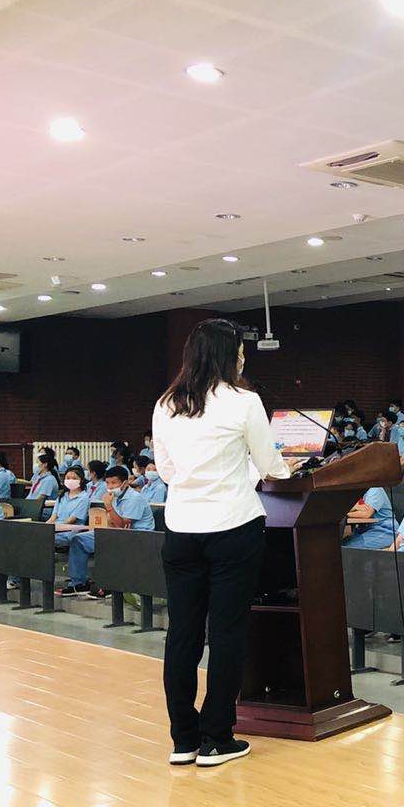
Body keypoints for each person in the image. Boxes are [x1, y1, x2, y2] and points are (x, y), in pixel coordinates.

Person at [153, 318, 290, 768]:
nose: (244, 357)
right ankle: (217, 738)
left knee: (182, 634)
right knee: (227, 633)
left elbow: (167, 471)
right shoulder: (244, 401)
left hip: (181, 529)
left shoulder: (167, 403)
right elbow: (269, 465)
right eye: (241, 350)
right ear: (230, 356)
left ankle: (183, 740)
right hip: (233, 526)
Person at [61, 465, 155, 596]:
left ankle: (110, 585)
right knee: (78, 539)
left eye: (114, 483)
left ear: (125, 483)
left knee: (108, 540)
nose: (110, 486)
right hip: (118, 532)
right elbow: (112, 523)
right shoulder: (114, 496)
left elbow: (122, 525)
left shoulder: (134, 498)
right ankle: (78, 584)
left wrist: (109, 507)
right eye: (107, 483)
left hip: (139, 537)